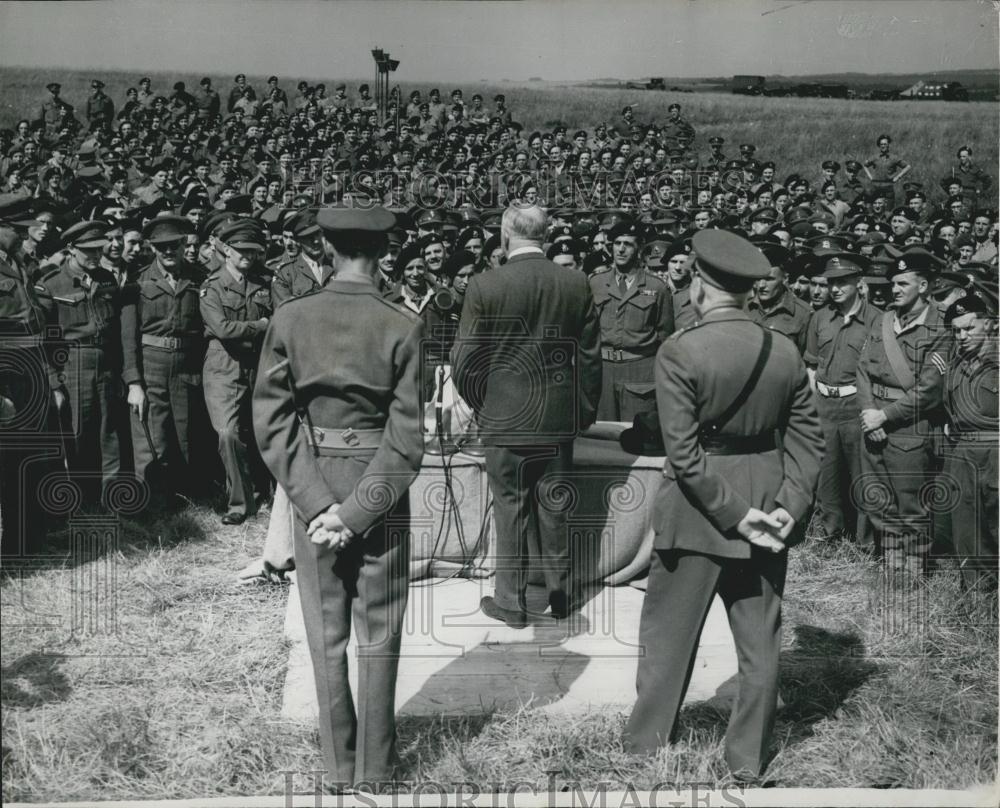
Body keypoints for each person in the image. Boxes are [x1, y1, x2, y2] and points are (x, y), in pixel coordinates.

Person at [622, 229, 823, 781]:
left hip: (696, 516)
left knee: (667, 640)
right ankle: (748, 760)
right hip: (769, 507)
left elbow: (684, 456)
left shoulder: (680, 349)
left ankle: (644, 748)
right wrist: (789, 505)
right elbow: (809, 439)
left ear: (701, 289)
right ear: (746, 291)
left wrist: (735, 514)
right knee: (761, 647)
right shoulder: (783, 349)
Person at [253, 204, 424, 788]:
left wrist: (319, 506)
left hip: (313, 483)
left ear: (326, 248)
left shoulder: (292, 317)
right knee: (379, 630)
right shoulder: (401, 322)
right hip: (379, 487)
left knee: (325, 635)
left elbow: (271, 424)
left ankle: (338, 766)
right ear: (383, 251)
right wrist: (357, 513)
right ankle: (376, 769)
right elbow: (406, 441)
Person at [452, 204, 603, 627]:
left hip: (505, 419)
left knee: (511, 510)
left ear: (505, 234)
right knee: (556, 508)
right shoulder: (575, 284)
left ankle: (513, 604)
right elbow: (589, 359)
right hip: (557, 418)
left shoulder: (485, 285)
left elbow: (464, 359)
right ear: (547, 235)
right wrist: (581, 412)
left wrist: (484, 403)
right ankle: (562, 596)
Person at [855, 250, 948, 578]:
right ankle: (892, 566)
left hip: (910, 428)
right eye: (893, 283)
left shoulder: (939, 326)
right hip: (873, 420)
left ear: (923, 286)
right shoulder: (882, 320)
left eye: (903, 283)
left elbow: (930, 391)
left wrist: (885, 417)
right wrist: (869, 411)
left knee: (910, 505)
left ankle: (912, 574)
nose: (895, 289)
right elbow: (863, 369)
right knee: (880, 502)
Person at [35, 220, 127, 505]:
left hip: (106, 362)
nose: (96, 255)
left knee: (109, 433)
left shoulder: (107, 279)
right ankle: (83, 504)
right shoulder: (51, 284)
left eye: (99, 249)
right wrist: (53, 382)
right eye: (88, 251)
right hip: (72, 363)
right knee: (78, 436)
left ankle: (110, 501)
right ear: (71, 249)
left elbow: (115, 330)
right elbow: (44, 339)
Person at [120, 215, 205, 492]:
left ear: (183, 244)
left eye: (174, 245)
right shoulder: (138, 280)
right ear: (152, 248)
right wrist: (134, 381)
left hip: (187, 365)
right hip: (151, 365)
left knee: (186, 431)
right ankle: (149, 498)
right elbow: (128, 335)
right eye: (161, 247)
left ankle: (182, 496)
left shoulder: (199, 277)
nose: (168, 252)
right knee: (151, 435)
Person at [804, 252, 881, 543]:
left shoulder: (876, 319)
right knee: (827, 477)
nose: (835, 288)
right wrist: (813, 405)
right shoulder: (820, 317)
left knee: (863, 476)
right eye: (831, 282)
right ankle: (828, 536)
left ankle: (865, 544)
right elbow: (812, 365)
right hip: (824, 404)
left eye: (843, 282)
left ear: (859, 283)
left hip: (856, 405)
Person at [199, 218, 273, 525]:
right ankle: (240, 504)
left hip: (257, 365)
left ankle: (269, 494)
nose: (247, 255)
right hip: (223, 366)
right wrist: (260, 326)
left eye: (253, 251)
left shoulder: (263, 284)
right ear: (226, 250)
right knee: (227, 433)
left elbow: (279, 320)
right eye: (241, 249)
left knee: (262, 431)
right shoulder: (211, 287)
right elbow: (222, 329)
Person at [937, 292, 998, 590]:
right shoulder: (957, 363)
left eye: (969, 328)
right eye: (957, 330)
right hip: (963, 455)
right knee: (968, 534)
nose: (961, 336)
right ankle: (977, 602)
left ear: (989, 324)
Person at [589, 220, 674, 422]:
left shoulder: (657, 287)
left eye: (627, 244)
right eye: (617, 243)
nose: (621, 249)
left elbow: (665, 336)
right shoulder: (596, 283)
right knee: (603, 433)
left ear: (638, 249)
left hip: (640, 372)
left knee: (638, 433)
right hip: (604, 370)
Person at [746, 244, 812, 354]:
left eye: (769, 279)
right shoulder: (743, 306)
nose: (761, 285)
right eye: (758, 278)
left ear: (785, 278)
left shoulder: (803, 314)